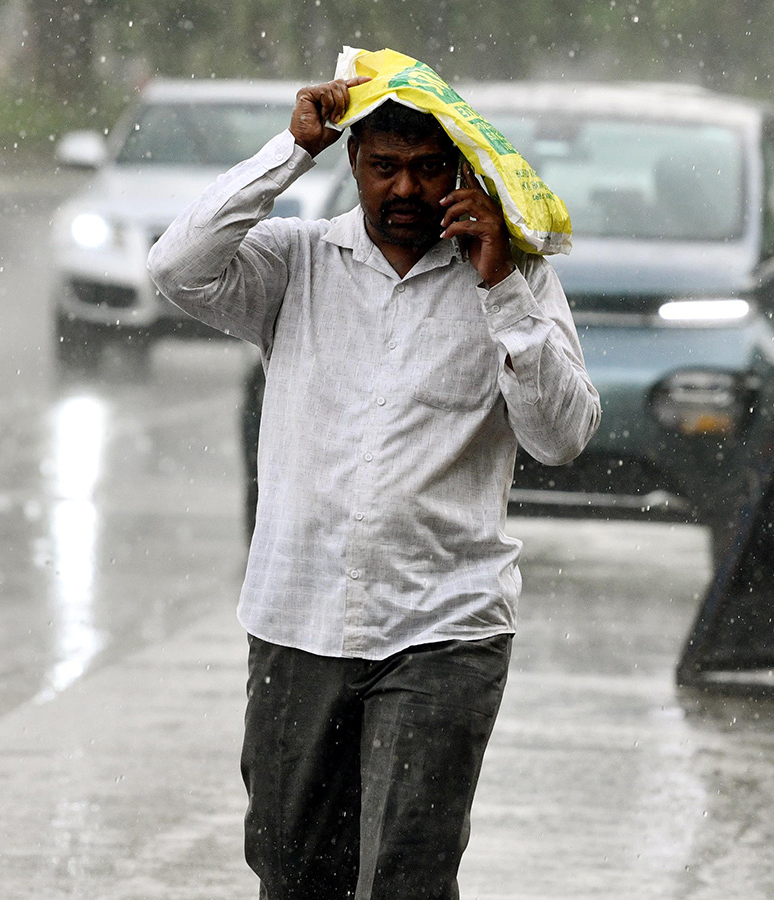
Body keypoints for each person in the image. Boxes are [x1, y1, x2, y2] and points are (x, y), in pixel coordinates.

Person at [147, 74, 600, 900]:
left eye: (427, 168)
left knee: (408, 880)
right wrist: (290, 151)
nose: (404, 188)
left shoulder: (514, 275)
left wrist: (501, 290)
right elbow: (176, 268)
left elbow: (563, 436)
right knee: (292, 875)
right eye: (384, 165)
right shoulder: (295, 261)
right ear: (353, 159)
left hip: (444, 625)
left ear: (458, 169)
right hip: (297, 620)